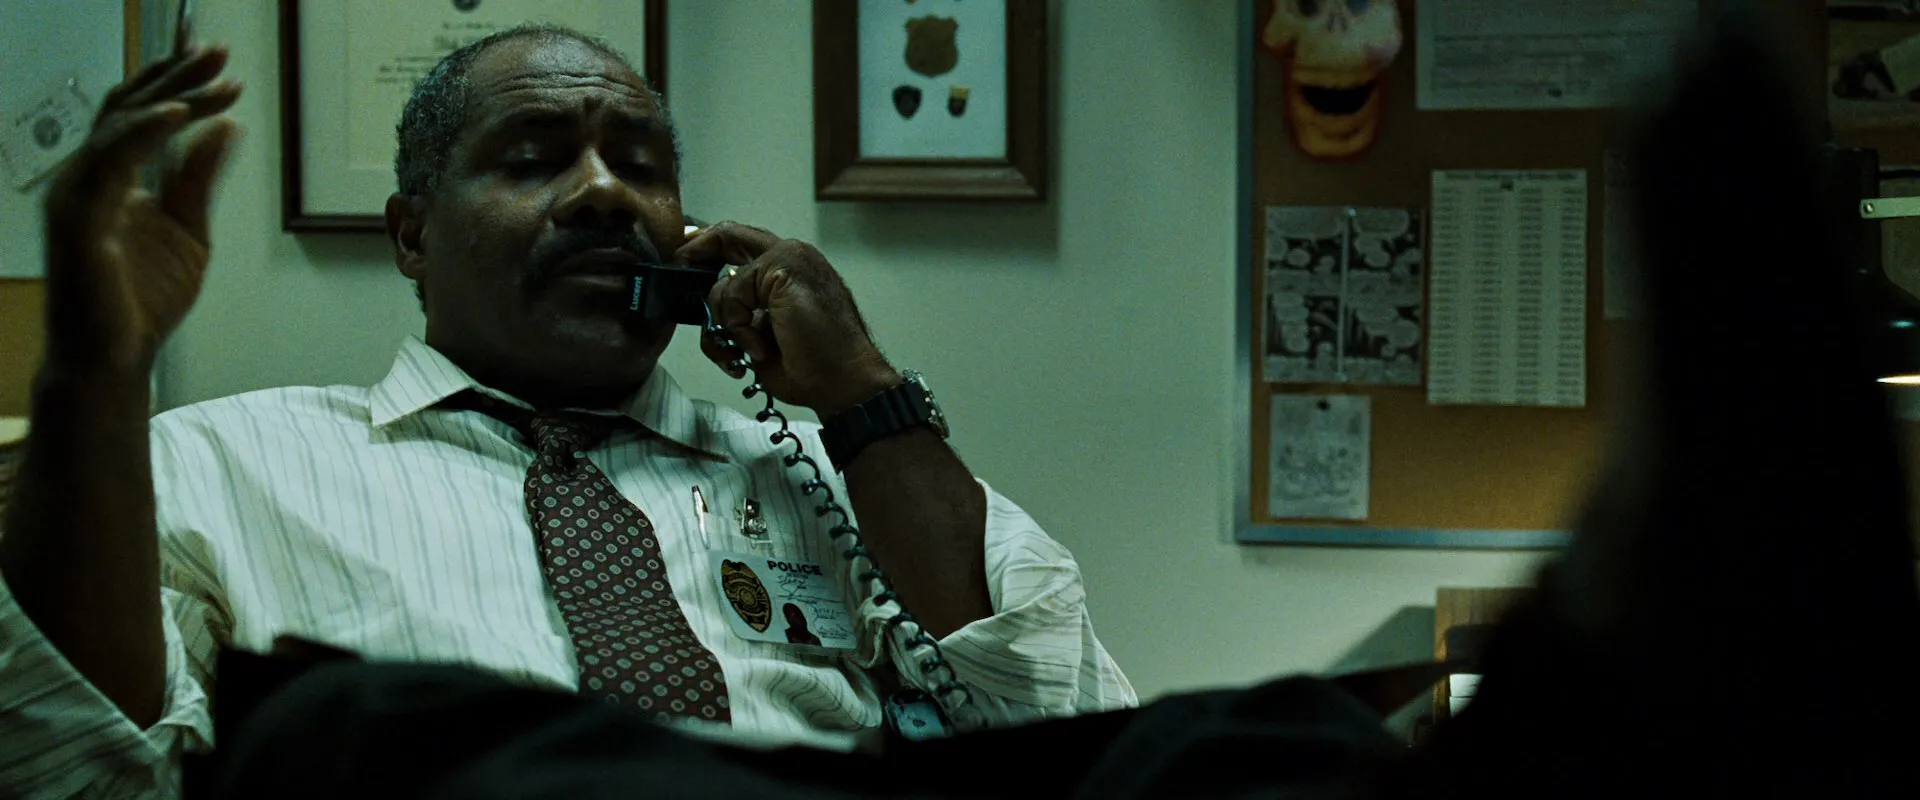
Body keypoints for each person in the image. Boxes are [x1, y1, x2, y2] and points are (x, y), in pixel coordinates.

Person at [0, 23, 1133, 798]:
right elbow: (76, 766)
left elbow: (1063, 732)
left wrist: (862, 391)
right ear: (411, 235)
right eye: (534, 160)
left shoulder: (832, 480)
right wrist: (92, 376)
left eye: (642, 166)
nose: (604, 193)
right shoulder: (214, 464)